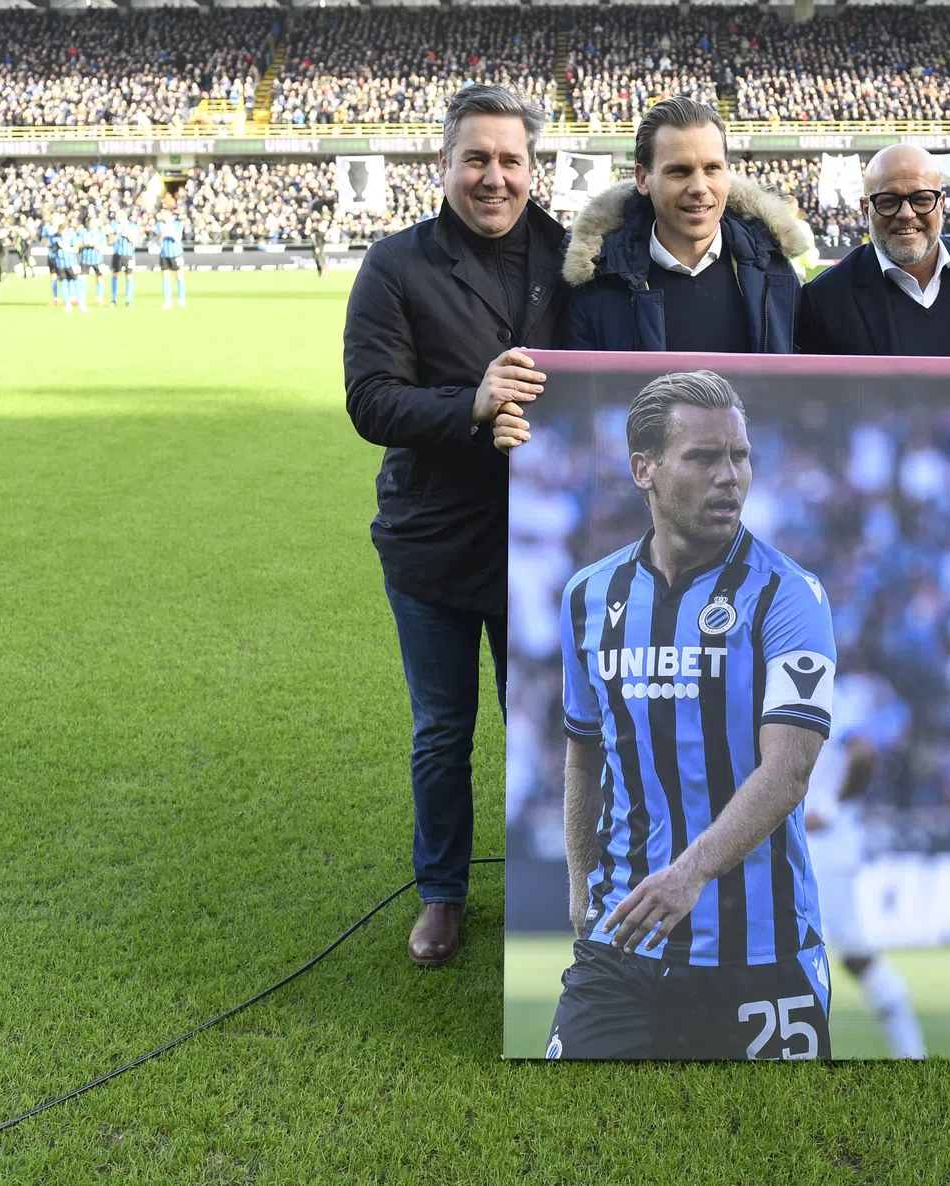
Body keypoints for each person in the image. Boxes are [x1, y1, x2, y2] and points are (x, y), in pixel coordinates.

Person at [544, 371, 837, 1060]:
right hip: (622, 939)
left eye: (739, 457)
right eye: (703, 458)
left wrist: (690, 874)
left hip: (760, 944)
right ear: (643, 469)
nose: (729, 477)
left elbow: (789, 771)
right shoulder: (588, 596)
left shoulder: (788, 595)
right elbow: (583, 750)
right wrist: (581, 881)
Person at [344, 83, 569, 967]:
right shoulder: (394, 265)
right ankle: (440, 891)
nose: (493, 177)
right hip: (433, 542)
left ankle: (549, 883)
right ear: (443, 165)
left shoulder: (573, 255)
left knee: (543, 725)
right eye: (475, 158)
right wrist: (471, 405)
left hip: (547, 541)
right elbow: (371, 399)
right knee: (442, 729)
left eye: (510, 160)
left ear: (531, 167)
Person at [795, 142, 950, 901]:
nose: (905, 213)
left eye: (920, 197)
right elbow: (814, 421)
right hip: (885, 542)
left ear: (945, 199)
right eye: (886, 201)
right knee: (884, 697)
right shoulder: (826, 299)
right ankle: (875, 841)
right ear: (861, 208)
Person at [562, 97, 807, 352]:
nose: (699, 188)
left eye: (712, 168)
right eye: (679, 171)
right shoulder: (600, 284)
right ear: (643, 179)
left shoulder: (776, 271)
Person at [803, 671, 928, 1058]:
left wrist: (831, 807)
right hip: (807, 842)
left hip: (826, 844)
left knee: (850, 954)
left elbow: (863, 751)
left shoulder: (831, 696)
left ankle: (910, 1050)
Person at [155, 206, 186, 309]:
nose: (162, 216)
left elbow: (178, 238)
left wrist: (171, 232)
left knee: (179, 276)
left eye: (164, 214)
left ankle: (181, 300)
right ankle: (168, 301)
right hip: (164, 254)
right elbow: (158, 240)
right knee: (165, 277)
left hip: (176, 253)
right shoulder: (159, 225)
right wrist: (162, 235)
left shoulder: (177, 224)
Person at [53, 222, 86, 314]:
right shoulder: (55, 237)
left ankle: (81, 304)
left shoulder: (71, 236)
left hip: (71, 264)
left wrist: (65, 248)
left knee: (77, 283)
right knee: (63, 283)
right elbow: (50, 247)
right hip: (60, 264)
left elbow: (76, 249)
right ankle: (68, 304)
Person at [110, 215, 137, 306]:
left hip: (128, 255)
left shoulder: (132, 226)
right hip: (117, 254)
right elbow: (110, 241)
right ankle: (114, 299)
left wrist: (127, 234)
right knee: (115, 275)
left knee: (129, 276)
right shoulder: (114, 226)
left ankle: (128, 300)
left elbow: (135, 241)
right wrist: (119, 234)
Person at [80, 218, 107, 305]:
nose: (91, 225)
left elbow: (104, 245)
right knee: (83, 278)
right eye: (90, 223)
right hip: (86, 258)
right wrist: (87, 244)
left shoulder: (100, 234)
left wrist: (99, 246)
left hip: (97, 259)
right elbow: (78, 243)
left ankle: (99, 297)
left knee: (99, 277)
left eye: (93, 223)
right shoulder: (83, 232)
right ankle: (82, 297)